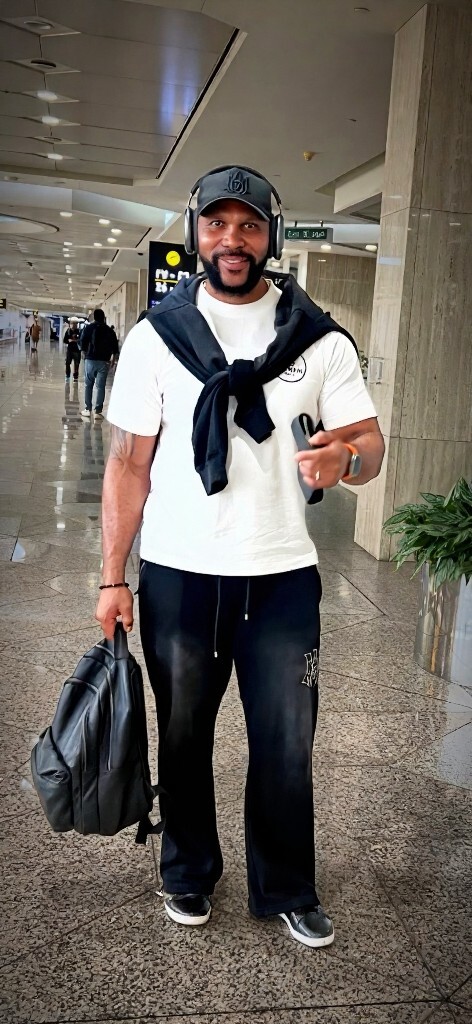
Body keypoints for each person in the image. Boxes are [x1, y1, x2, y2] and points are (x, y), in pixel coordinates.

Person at [96, 165, 385, 948]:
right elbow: (128, 465)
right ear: (196, 232)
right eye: (218, 224)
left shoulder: (319, 340)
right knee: (184, 735)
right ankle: (188, 870)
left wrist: (347, 462)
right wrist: (113, 576)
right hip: (180, 574)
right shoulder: (157, 337)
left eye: (249, 225)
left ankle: (286, 886)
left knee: (288, 742)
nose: (233, 239)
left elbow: (369, 445)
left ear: (271, 235)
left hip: (282, 578)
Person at [79, 308, 118, 420]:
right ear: (103, 317)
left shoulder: (88, 328)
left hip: (90, 360)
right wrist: (113, 359)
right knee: (101, 387)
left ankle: (88, 409)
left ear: (94, 317)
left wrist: (83, 352)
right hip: (104, 361)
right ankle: (98, 411)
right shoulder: (109, 330)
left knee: (88, 385)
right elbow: (115, 347)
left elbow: (82, 341)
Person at [63, 317, 81, 382]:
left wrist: (76, 341)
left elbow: (81, 340)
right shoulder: (68, 331)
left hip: (77, 350)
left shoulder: (79, 331)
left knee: (77, 364)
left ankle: (75, 376)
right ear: (70, 324)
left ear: (77, 325)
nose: (73, 325)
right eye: (72, 324)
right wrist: (69, 340)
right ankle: (67, 375)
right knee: (67, 363)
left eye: (75, 324)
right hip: (70, 350)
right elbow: (64, 340)